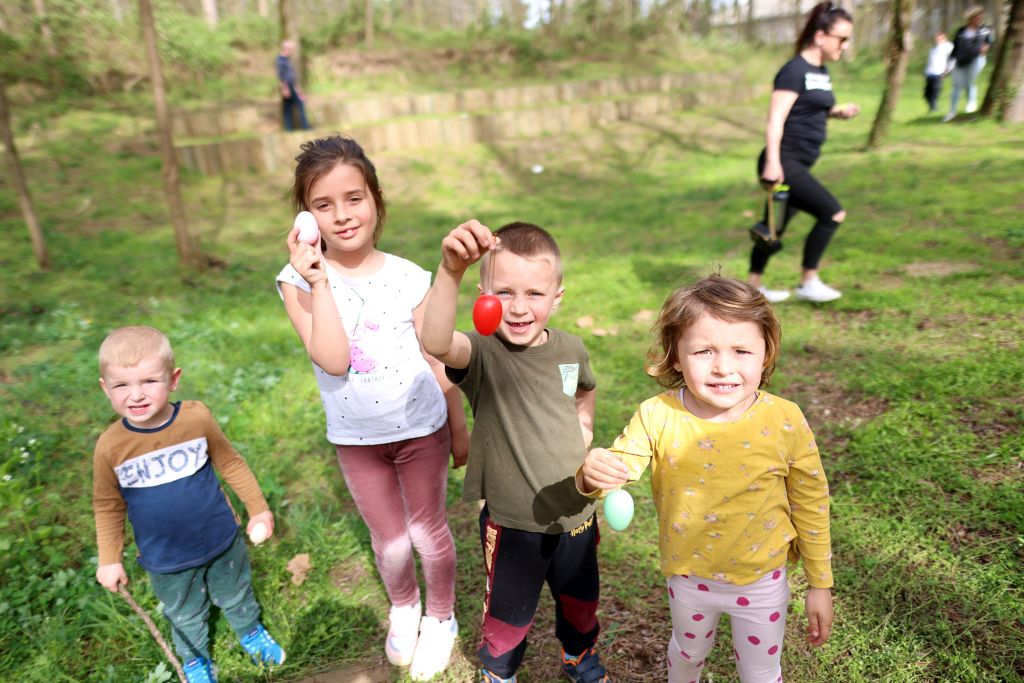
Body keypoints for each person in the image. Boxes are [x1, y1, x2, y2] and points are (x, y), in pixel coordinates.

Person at [578, 275, 833, 683]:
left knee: (762, 672)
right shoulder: (657, 415)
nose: (723, 367)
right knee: (687, 654)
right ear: (675, 356)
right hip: (688, 575)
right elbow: (617, 469)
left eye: (741, 350)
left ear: (766, 354)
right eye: (703, 350)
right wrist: (592, 473)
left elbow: (811, 502)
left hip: (762, 580)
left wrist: (820, 584)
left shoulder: (785, 419)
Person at [276, 135, 467, 681]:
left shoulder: (409, 275)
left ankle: (442, 617)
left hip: (421, 429)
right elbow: (333, 359)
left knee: (429, 531)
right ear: (305, 217)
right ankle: (405, 607)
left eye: (353, 197)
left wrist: (457, 426)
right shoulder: (298, 283)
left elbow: (437, 357)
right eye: (323, 204)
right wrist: (316, 277)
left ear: (376, 199)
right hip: (356, 439)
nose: (341, 215)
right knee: (390, 541)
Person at [421, 221, 609, 683]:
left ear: (557, 297)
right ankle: (500, 671)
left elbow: (583, 388)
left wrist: (585, 425)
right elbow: (436, 342)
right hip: (512, 524)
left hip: (575, 513)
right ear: (483, 294)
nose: (520, 308)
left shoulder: (571, 349)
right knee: (509, 612)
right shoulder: (483, 353)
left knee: (580, 598)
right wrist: (450, 270)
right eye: (504, 292)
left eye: (534, 294)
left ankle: (577, 655)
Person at [93, 326, 284, 683]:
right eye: (121, 385)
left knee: (236, 591)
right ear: (105, 388)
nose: (136, 395)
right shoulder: (110, 446)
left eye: (149, 381)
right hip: (165, 557)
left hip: (220, 538)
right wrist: (109, 559)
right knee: (183, 612)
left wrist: (258, 508)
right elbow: (107, 505)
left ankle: (250, 631)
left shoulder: (195, 419)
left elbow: (230, 462)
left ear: (173, 379)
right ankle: (195, 660)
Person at [748, 1, 859, 304]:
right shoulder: (793, 70)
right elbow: (776, 118)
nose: (846, 46)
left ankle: (751, 289)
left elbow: (810, 109)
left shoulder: (820, 70)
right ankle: (809, 280)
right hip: (784, 161)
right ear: (821, 36)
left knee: (774, 226)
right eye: (842, 39)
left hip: (799, 161)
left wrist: (837, 112)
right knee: (832, 213)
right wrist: (772, 162)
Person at [944, 6, 995, 121]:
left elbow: (988, 43)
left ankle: (971, 110)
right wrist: (949, 64)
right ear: (969, 18)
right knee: (956, 86)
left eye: (980, 17)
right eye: (976, 17)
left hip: (977, 59)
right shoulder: (961, 31)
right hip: (960, 60)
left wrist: (985, 49)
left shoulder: (985, 30)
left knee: (969, 83)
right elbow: (955, 48)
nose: (979, 19)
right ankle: (952, 112)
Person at [277, 40, 311, 131]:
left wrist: (297, 88)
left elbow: (292, 76)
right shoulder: (281, 60)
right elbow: (281, 76)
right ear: (286, 49)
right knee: (297, 104)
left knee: (288, 107)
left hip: (292, 85)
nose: (292, 52)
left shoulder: (287, 60)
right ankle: (304, 126)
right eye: (291, 49)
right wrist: (285, 88)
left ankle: (290, 128)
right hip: (287, 86)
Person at [924, 32, 954, 113]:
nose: (937, 40)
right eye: (936, 39)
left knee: (935, 91)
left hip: (939, 72)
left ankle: (934, 108)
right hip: (930, 73)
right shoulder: (933, 48)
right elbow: (930, 61)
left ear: (944, 39)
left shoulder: (948, 47)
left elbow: (952, 58)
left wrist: (948, 70)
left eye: (940, 39)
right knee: (926, 94)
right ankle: (932, 107)